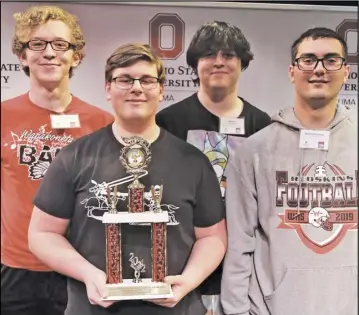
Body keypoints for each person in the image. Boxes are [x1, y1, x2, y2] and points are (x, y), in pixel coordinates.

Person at [27, 43, 227, 315]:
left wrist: (188, 281)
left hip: (177, 309)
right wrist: (87, 274)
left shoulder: (194, 162)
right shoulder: (74, 157)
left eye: (147, 80)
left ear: (161, 90)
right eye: (124, 79)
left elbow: (213, 237)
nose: (136, 88)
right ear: (108, 89)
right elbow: (42, 234)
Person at [221, 27, 357, 315]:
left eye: (331, 60)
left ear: (346, 71)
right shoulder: (253, 151)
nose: (319, 69)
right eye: (308, 60)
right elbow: (239, 245)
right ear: (292, 71)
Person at [1, 5, 114, 315]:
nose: (49, 53)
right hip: (16, 270)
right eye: (37, 44)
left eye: (60, 44)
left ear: (75, 56)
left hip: (81, 267)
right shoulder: (3, 116)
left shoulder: (103, 122)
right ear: (22, 56)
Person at [156, 21, 271, 314]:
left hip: (241, 264)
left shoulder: (262, 125)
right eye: (209, 54)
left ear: (242, 63)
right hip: (183, 260)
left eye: (228, 55)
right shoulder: (167, 121)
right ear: (195, 63)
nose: (218, 61)